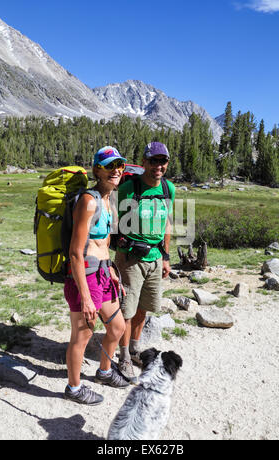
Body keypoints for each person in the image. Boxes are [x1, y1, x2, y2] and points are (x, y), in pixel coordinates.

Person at [64, 146, 130, 405]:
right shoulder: (88, 201)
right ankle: (74, 388)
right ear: (97, 170)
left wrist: (112, 270)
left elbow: (103, 244)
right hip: (86, 277)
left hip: (103, 273)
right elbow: (75, 253)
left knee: (117, 327)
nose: (116, 170)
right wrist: (86, 297)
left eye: (119, 165)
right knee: (82, 336)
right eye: (109, 165)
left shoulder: (109, 200)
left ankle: (104, 372)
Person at [115, 142, 176, 381]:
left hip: (155, 258)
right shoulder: (129, 188)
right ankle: (123, 357)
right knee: (126, 311)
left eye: (163, 161)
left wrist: (166, 257)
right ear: (144, 163)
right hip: (130, 259)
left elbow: (167, 223)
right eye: (153, 161)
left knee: (143, 308)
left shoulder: (168, 188)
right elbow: (112, 218)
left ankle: (135, 348)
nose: (158, 166)